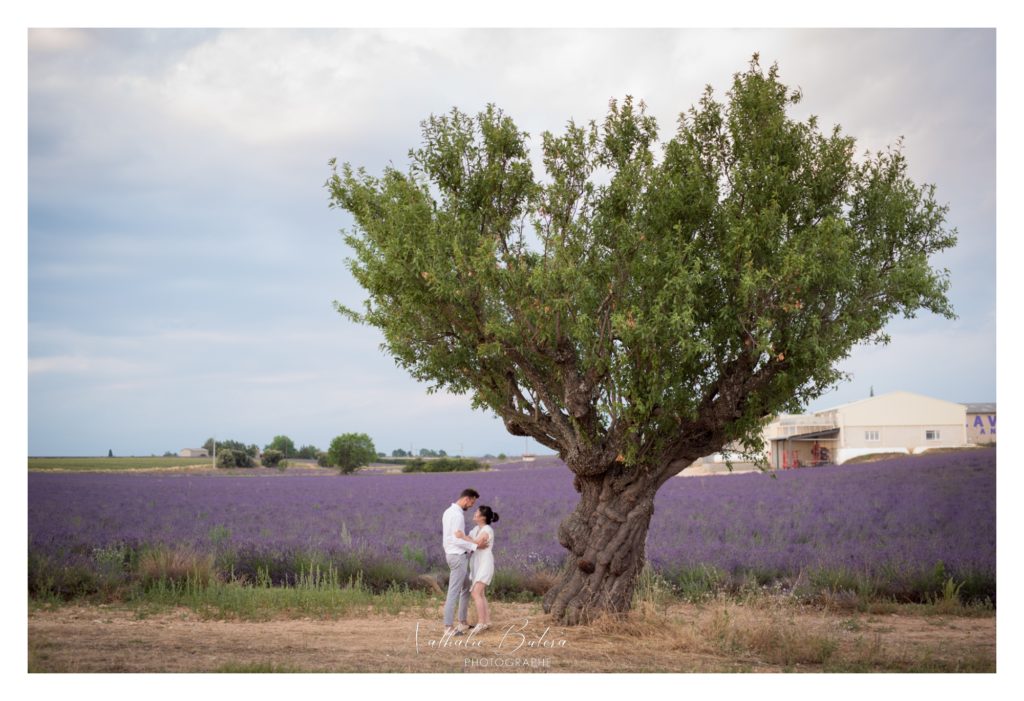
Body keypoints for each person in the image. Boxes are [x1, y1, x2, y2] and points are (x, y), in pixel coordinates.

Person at [441, 488, 487, 636]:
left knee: (467, 588)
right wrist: (475, 546)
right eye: (472, 503)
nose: (472, 506)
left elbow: (453, 538)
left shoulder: (449, 512)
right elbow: (455, 539)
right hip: (457, 557)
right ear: (467, 499)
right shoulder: (457, 515)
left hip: (453, 555)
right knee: (454, 591)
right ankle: (448, 627)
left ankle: (462, 622)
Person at [456, 505, 499, 633]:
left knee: (475, 592)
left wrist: (462, 537)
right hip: (477, 563)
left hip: (485, 563)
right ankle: (486, 621)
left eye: (477, 513)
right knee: (481, 593)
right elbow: (473, 541)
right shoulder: (476, 529)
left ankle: (480, 623)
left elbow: (476, 543)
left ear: (483, 517)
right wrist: (468, 539)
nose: (474, 514)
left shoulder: (487, 529)